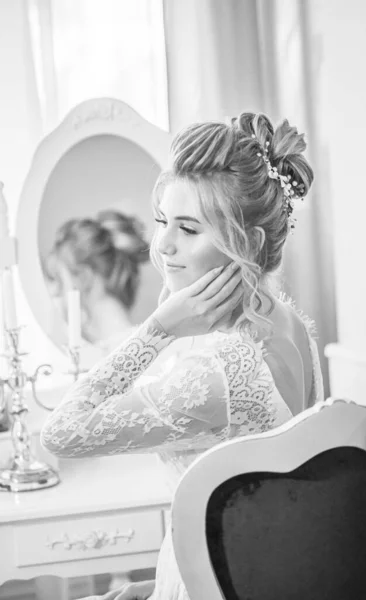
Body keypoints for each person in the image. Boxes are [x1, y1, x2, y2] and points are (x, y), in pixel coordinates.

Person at [41, 112, 324, 600]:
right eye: (161, 221)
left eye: (189, 229)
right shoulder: (287, 323)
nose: (163, 245)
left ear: (249, 244)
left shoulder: (218, 372)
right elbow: (251, 519)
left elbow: (60, 433)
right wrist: (155, 586)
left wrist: (156, 330)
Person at [43, 210, 150, 353]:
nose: (53, 290)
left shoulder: (121, 351)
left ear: (84, 277)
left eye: (57, 279)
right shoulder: (103, 346)